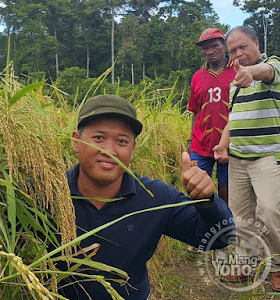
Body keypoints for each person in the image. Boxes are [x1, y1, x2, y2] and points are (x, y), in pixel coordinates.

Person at [59, 94, 235, 299]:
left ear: (132, 149)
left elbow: (222, 237)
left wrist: (207, 201)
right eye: (99, 138)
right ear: (76, 141)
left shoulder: (154, 197)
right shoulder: (46, 196)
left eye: (122, 141)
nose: (109, 150)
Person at [213, 25, 280, 291]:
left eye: (243, 47)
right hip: (238, 158)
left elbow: (265, 72)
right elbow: (233, 118)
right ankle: (247, 262)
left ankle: (278, 264)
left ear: (256, 43)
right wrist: (222, 144)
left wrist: (250, 72)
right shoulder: (235, 85)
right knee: (240, 216)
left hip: (268, 157)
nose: (238, 54)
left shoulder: (273, 66)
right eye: (233, 51)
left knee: (270, 211)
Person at [187, 28, 236, 205]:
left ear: (224, 45)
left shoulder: (237, 72)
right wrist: (190, 140)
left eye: (214, 46)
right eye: (205, 48)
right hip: (200, 145)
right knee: (197, 187)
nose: (209, 52)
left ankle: (228, 224)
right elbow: (195, 111)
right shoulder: (198, 76)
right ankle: (205, 224)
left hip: (230, 145)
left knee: (227, 188)